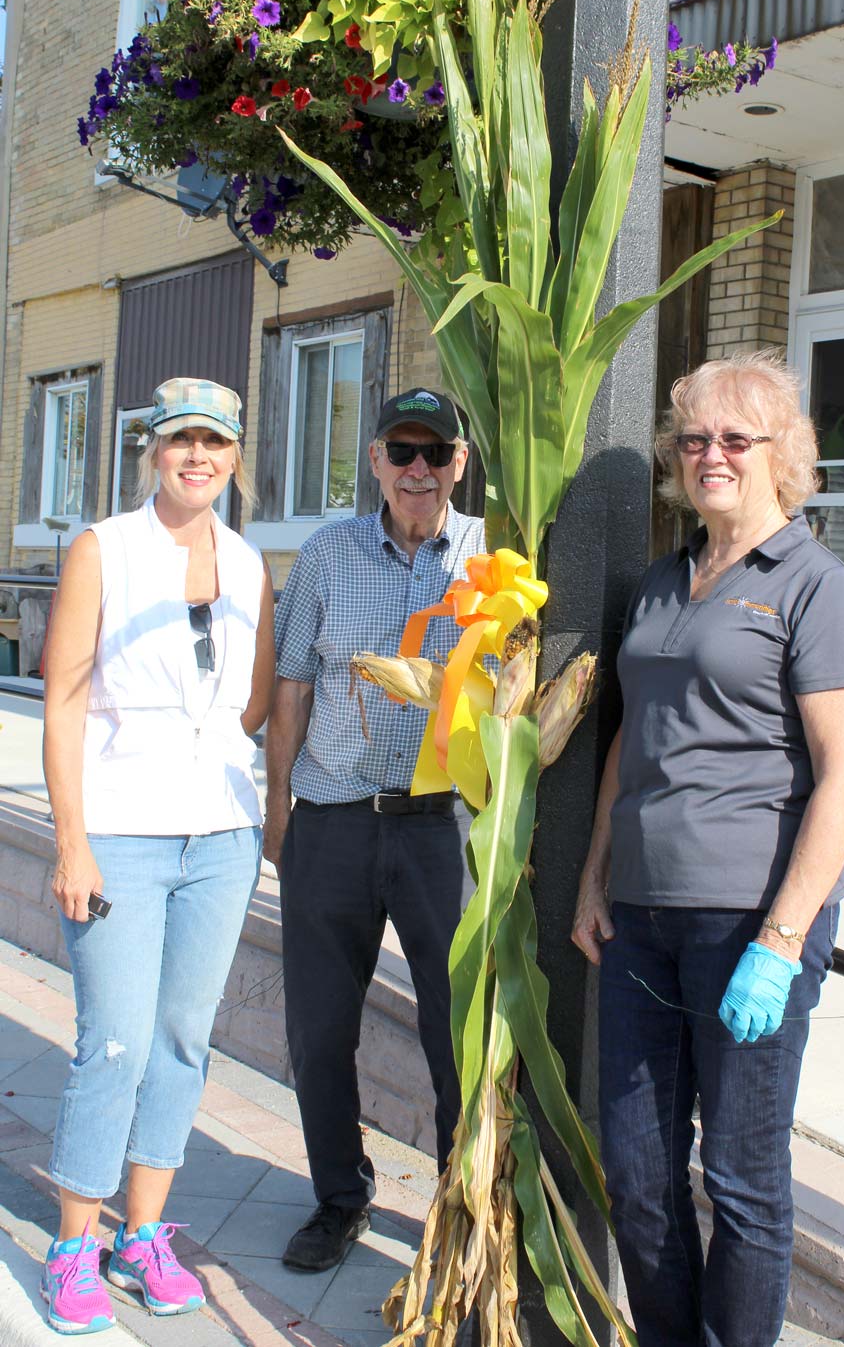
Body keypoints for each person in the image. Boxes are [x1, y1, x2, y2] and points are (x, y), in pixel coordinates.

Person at [571, 353, 844, 1347]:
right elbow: (631, 732)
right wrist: (592, 874)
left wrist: (784, 939)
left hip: (749, 925)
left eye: (735, 439)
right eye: (695, 437)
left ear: (782, 455)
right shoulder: (665, 579)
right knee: (639, 1173)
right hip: (640, 925)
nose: (711, 454)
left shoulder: (817, 588)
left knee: (743, 1181)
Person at [41, 378, 274, 1335]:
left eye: (215, 442)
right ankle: (71, 1244)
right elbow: (60, 698)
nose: (198, 456)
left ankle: (143, 1236)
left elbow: (255, 704)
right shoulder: (106, 548)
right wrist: (71, 843)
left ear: (232, 455)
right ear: (153, 448)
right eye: (182, 439)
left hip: (219, 834)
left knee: (183, 1039)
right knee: (116, 1039)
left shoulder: (250, 562)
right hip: (121, 833)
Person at [265, 387, 484, 1272]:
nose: (419, 469)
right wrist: (279, 811)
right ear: (376, 461)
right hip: (335, 821)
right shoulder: (326, 553)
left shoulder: (487, 558)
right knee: (319, 1030)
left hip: (443, 833)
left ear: (460, 463)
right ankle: (338, 1196)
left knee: (454, 1034)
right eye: (402, 451)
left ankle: (461, 1207)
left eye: (435, 453)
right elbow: (290, 687)